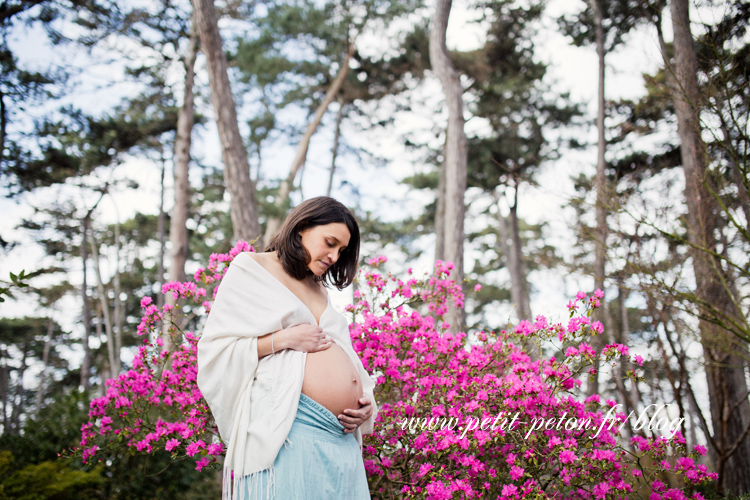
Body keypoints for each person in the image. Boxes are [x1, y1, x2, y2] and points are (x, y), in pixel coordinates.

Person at [197, 196, 377, 500]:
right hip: (291, 429)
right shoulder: (251, 268)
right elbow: (216, 351)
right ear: (302, 226)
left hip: (342, 438)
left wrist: (365, 404)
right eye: (330, 243)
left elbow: (346, 355)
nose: (334, 256)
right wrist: (282, 340)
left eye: (341, 251)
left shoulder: (319, 288)